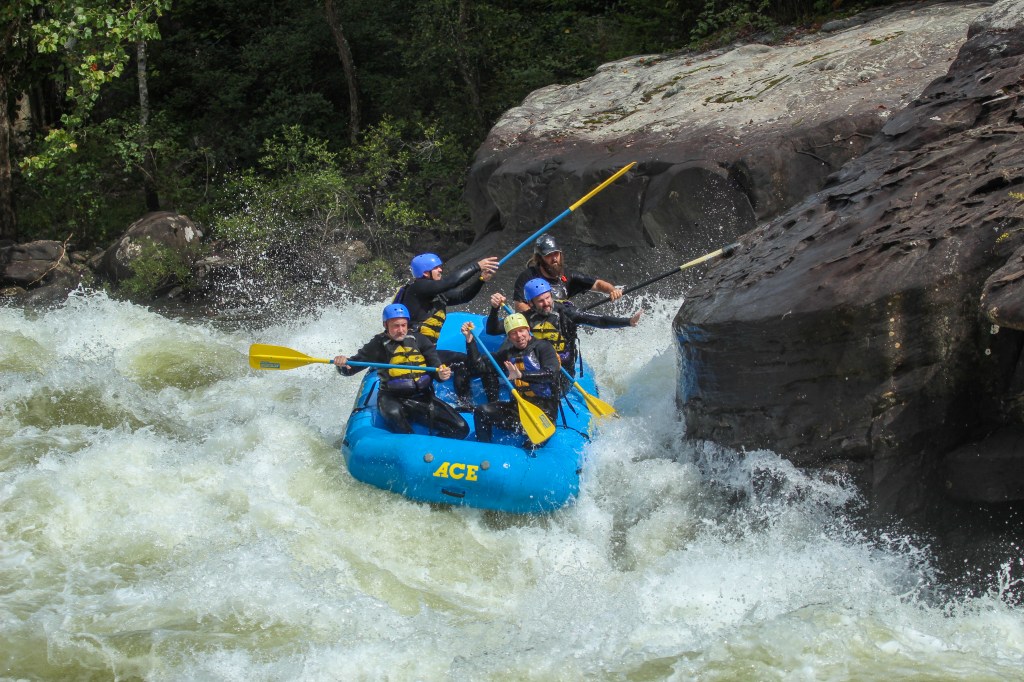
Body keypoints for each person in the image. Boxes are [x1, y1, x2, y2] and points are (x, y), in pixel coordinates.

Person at [334, 303, 469, 440]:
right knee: (394, 413)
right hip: (393, 398)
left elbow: (436, 366)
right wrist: (342, 365)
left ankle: (434, 445)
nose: (400, 330)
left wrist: (441, 374)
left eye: (403, 325)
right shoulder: (377, 345)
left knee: (461, 427)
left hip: (423, 397)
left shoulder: (420, 340)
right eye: (395, 326)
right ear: (386, 325)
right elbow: (350, 369)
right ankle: (408, 441)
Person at [394, 252, 500, 406]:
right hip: (412, 353)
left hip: (427, 351)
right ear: (425, 273)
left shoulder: (436, 293)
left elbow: (463, 295)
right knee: (461, 362)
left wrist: (481, 279)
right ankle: (464, 404)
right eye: (436, 268)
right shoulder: (418, 288)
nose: (440, 270)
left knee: (464, 361)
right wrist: (477, 266)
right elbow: (451, 282)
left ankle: (467, 402)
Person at [487, 278, 641, 375]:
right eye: (540, 301)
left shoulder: (565, 313)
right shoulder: (526, 318)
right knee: (494, 362)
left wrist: (627, 322)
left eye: (548, 298)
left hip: (562, 369)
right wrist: (494, 309)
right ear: (530, 303)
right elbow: (493, 330)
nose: (546, 303)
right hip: (535, 363)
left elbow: (598, 321)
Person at [461, 315, 560, 444]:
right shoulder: (507, 354)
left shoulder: (543, 347)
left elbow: (551, 374)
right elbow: (479, 366)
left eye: (521, 331)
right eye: (513, 333)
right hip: (518, 409)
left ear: (528, 329)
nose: (519, 336)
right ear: (508, 336)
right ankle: (485, 450)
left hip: (543, 412)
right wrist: (470, 340)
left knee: (531, 444)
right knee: (481, 412)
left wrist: (522, 375)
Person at [511, 234, 622, 312]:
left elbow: (597, 284)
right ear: (540, 258)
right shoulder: (527, 277)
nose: (554, 258)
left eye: (556, 254)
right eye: (549, 255)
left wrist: (612, 290)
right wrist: (544, 317)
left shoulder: (568, 276)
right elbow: (519, 306)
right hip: (537, 330)